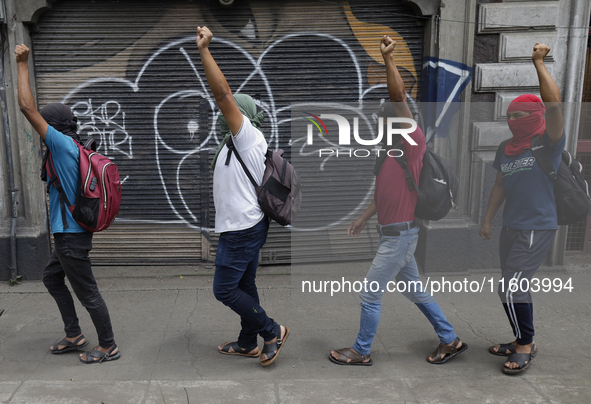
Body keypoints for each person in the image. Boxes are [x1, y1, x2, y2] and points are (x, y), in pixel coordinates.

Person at [329, 36, 467, 366]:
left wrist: (388, 59)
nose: (379, 123)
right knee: (415, 290)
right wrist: (364, 217)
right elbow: (388, 193)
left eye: (384, 119)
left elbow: (398, 96)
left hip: (400, 237)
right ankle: (451, 340)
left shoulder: (413, 143)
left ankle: (361, 351)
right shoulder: (390, 152)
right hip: (394, 233)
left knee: (369, 294)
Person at [15, 44, 119, 364]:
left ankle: (107, 345)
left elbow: (26, 107)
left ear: (53, 128)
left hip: (71, 236)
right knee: (51, 277)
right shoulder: (70, 145)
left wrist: (22, 64)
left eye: (43, 126)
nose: (38, 132)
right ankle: (74, 334)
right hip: (67, 235)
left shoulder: (61, 146)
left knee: (86, 291)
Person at [196, 26, 289, 366]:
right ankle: (248, 341)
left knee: (224, 289)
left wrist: (205, 50)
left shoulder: (247, 136)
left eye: (230, 111)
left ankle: (271, 330)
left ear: (241, 114)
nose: (222, 115)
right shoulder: (231, 144)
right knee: (245, 285)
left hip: (242, 229)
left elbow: (223, 96)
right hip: (244, 225)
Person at [480, 42, 563, 375]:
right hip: (512, 226)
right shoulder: (506, 147)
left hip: (537, 225)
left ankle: (525, 345)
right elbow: (499, 185)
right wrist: (487, 221)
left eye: (521, 115)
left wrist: (538, 62)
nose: (514, 120)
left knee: (512, 286)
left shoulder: (547, 141)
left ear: (536, 116)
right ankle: (519, 339)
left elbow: (554, 104)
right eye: (510, 115)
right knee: (510, 284)